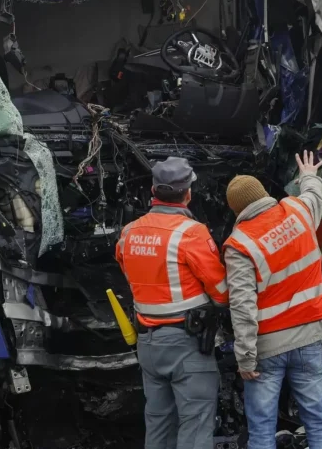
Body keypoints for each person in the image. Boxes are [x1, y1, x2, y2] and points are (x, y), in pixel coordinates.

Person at [223, 151, 322, 449]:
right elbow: (314, 194)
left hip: (267, 349)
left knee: (261, 430)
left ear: (236, 210)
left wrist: (245, 356)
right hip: (310, 337)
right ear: (263, 194)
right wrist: (309, 174)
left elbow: (242, 306)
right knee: (320, 423)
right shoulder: (298, 211)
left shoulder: (240, 244)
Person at [115, 157, 229, 449]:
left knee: (159, 424)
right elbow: (221, 292)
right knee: (195, 425)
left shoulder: (128, 232)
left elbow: (126, 268)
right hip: (186, 345)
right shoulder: (191, 233)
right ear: (188, 193)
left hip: (148, 345)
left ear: (153, 190)